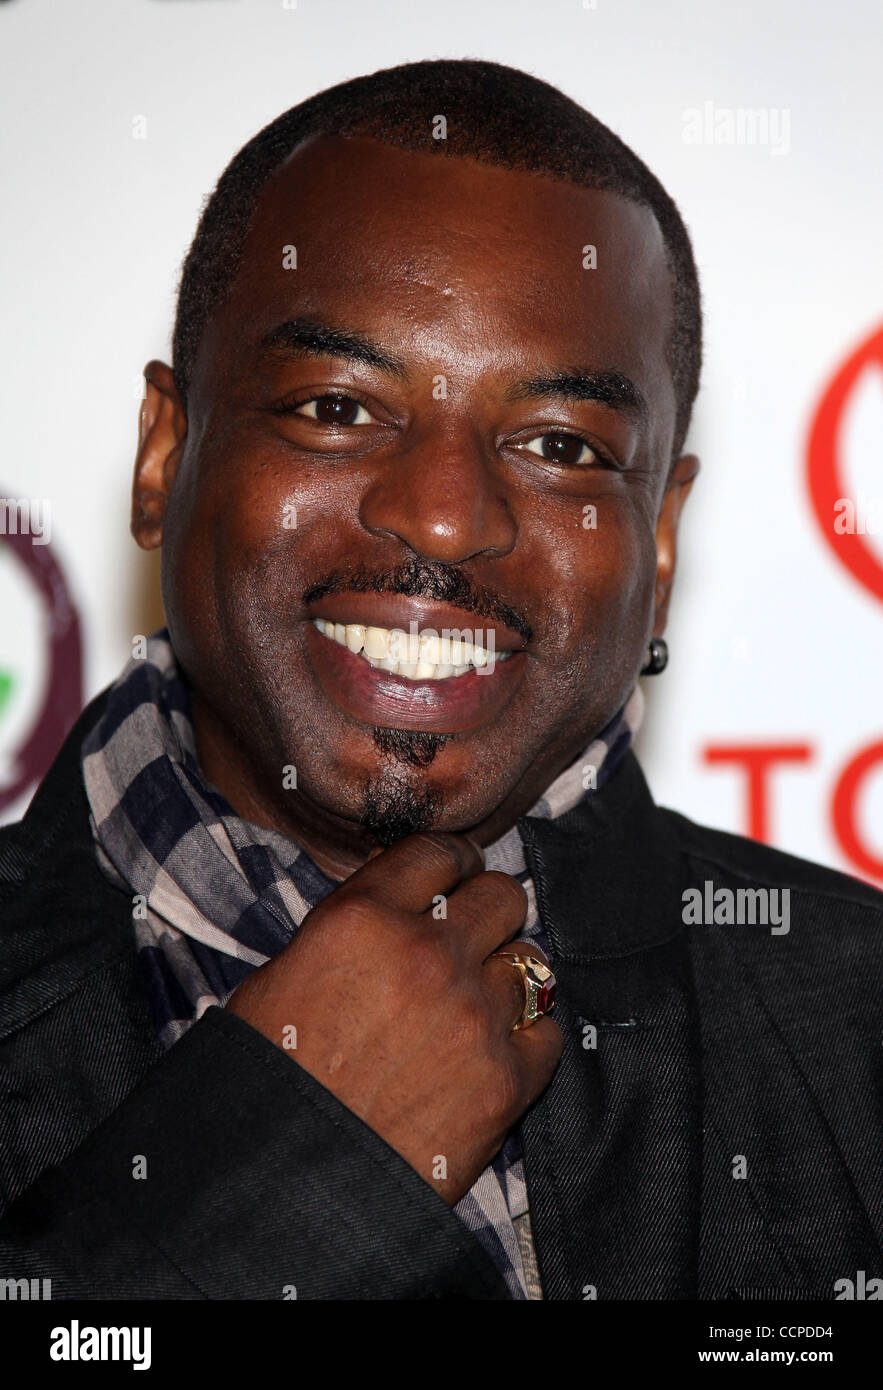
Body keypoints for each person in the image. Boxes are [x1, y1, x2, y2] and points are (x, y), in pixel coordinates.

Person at [0, 59, 879, 1302]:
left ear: (662, 537)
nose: (447, 517)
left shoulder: (855, 1022)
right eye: (337, 406)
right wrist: (284, 1170)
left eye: (561, 445)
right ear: (164, 453)